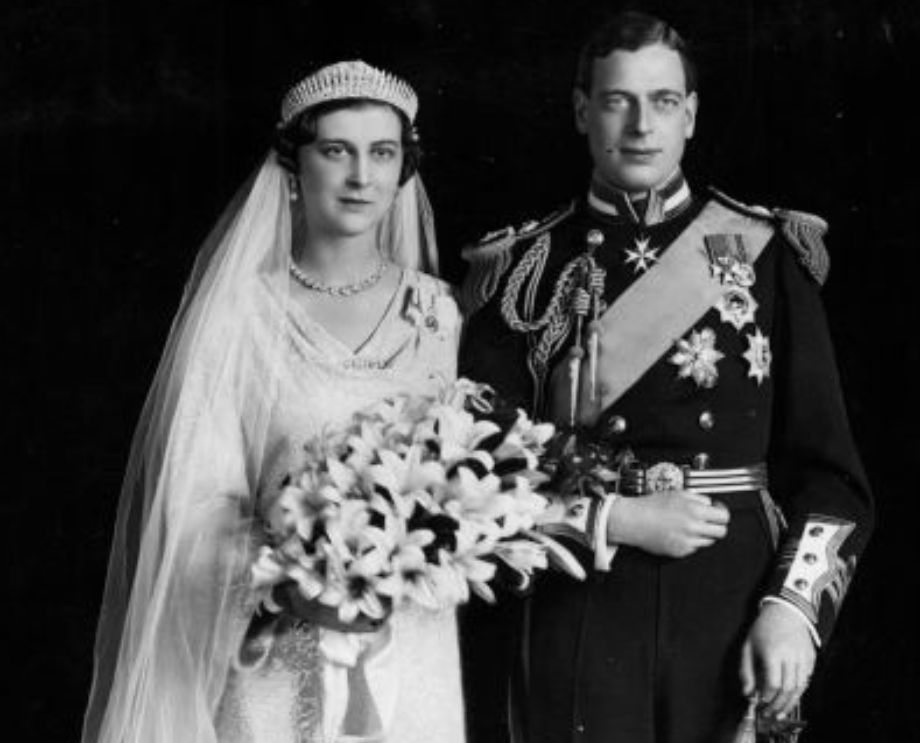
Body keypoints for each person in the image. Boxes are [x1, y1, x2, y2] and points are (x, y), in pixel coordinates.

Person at [459, 11, 874, 743]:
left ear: (690, 115)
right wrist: (605, 519)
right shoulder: (522, 269)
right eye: (618, 100)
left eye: (663, 101)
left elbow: (831, 477)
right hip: (579, 598)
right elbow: (478, 469)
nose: (641, 124)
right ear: (582, 111)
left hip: (733, 601)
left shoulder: (766, 255)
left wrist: (792, 610)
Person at [81, 60, 465, 743]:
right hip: (276, 653)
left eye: (381, 153)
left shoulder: (438, 313)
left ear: (404, 169)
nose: (360, 176)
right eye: (335, 151)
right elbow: (197, 502)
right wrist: (298, 582)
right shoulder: (240, 316)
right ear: (294, 165)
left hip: (412, 649)